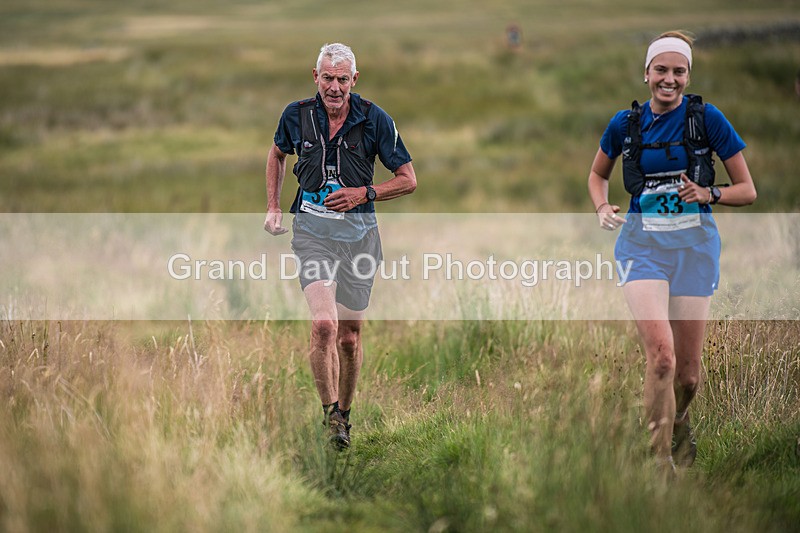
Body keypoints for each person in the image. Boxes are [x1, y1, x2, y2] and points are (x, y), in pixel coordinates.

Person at [587, 31, 756, 472]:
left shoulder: (707, 120)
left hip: (694, 251)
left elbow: (747, 190)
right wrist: (603, 206)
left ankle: (680, 419)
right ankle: (658, 462)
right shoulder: (624, 126)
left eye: (678, 71)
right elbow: (597, 175)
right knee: (661, 356)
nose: (669, 79)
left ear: (688, 75)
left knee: (688, 375)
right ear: (646, 74)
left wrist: (710, 194)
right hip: (641, 248)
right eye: (660, 70)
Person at [264, 43, 416, 450]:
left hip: (360, 240)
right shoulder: (295, 116)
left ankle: (344, 416)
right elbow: (277, 154)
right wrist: (275, 207)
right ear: (315, 77)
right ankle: (330, 414)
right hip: (312, 236)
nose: (334, 87)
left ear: (354, 80)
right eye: (327, 78)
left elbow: (407, 179)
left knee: (349, 337)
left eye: (342, 79)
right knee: (324, 325)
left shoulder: (375, 120)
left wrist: (363, 193)